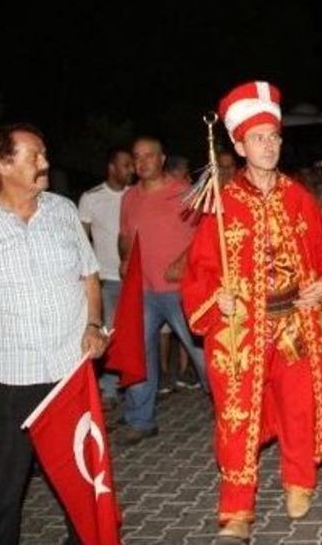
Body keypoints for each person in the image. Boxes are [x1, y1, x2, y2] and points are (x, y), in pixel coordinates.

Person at [182, 81, 322, 539]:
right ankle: (236, 511)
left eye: (274, 137)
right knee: (236, 420)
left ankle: (299, 480)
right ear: (237, 144)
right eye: (258, 138)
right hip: (243, 329)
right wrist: (217, 298)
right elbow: (198, 271)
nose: (269, 145)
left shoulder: (298, 196)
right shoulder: (222, 203)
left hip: (296, 321)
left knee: (298, 405)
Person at [0, 124, 106, 544]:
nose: (46, 163)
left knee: (82, 482)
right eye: (35, 157)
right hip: (6, 380)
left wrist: (92, 324)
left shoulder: (63, 211)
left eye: (45, 154)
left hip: (67, 376)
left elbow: (89, 277)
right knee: (1, 489)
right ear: (3, 164)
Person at [117, 136, 206, 444]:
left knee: (202, 352)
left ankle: (229, 408)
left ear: (162, 158)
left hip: (180, 289)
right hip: (142, 289)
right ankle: (141, 420)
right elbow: (125, 235)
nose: (142, 163)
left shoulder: (184, 192)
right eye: (137, 157)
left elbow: (207, 234)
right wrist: (125, 258)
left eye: (149, 156)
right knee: (138, 354)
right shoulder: (129, 197)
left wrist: (184, 259)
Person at [77, 146, 133, 408]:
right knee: (109, 334)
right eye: (125, 164)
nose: (131, 169)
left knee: (135, 335)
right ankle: (109, 390)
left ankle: (135, 386)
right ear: (112, 167)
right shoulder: (91, 197)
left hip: (136, 279)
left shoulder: (136, 195)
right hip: (107, 279)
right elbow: (80, 239)